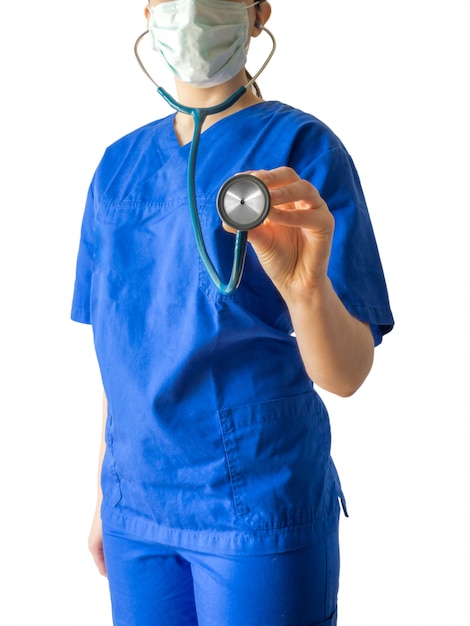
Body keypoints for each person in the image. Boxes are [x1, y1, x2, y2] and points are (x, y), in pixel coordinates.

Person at [71, 0, 394, 624]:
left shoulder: (302, 150)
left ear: (258, 12)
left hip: (254, 509)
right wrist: (104, 493)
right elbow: (122, 351)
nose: (189, 10)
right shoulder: (116, 167)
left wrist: (306, 293)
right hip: (135, 508)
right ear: (146, 11)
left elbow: (347, 374)